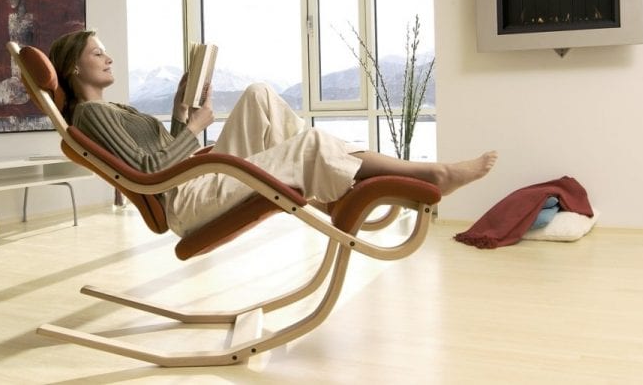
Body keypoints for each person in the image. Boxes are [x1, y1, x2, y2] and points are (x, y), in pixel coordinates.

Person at [49, 30, 497, 237]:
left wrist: (179, 109)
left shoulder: (112, 109)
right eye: (97, 53)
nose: (108, 57)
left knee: (260, 94)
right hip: (185, 197)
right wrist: (196, 128)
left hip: (192, 177)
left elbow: (157, 153)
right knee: (313, 143)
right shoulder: (90, 117)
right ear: (74, 67)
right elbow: (151, 171)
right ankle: (431, 174)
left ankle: (329, 188)